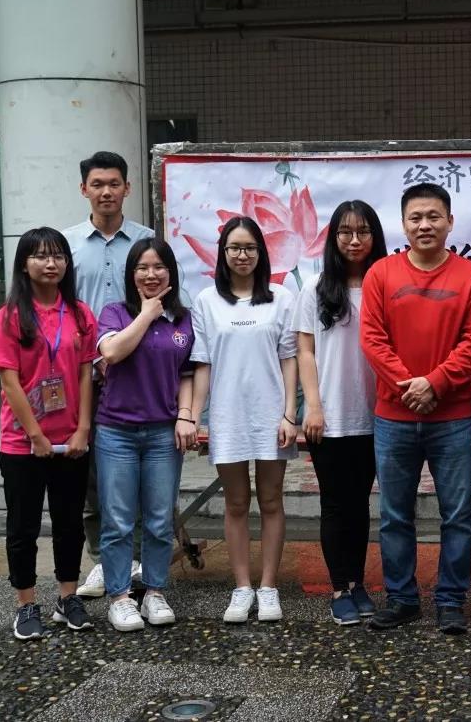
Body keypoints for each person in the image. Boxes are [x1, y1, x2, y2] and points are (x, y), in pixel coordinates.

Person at [360, 183, 471, 635]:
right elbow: (372, 340)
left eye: (434, 216)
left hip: (451, 417)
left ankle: (451, 601)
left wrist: (434, 383)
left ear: (450, 222)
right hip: (393, 417)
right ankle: (402, 599)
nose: (425, 225)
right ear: (403, 224)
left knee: (458, 514)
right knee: (395, 514)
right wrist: (409, 387)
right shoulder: (381, 273)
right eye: (415, 217)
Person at [0, 227, 97, 639]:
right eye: (41, 256)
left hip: (71, 441)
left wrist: (83, 428)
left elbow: (85, 373)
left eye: (58, 256)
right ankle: (26, 604)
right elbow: (9, 382)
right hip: (22, 443)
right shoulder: (9, 316)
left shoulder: (80, 313)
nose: (51, 264)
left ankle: (68, 597)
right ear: (24, 264)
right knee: (23, 527)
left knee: (70, 523)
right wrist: (35, 436)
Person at [190, 216, 299, 624]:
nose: (242, 255)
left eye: (250, 247)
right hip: (228, 415)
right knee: (236, 503)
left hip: (272, 416)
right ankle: (241, 587)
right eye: (234, 248)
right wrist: (194, 416)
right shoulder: (206, 301)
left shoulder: (280, 297)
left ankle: (268, 587)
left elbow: (289, 358)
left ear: (261, 253)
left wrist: (290, 413)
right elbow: (202, 364)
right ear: (222, 253)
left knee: (271, 500)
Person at [94, 238, 197, 632]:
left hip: (162, 434)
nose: (151, 274)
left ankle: (155, 591)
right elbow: (112, 353)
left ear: (171, 272)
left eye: (158, 267)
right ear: (131, 273)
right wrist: (147, 314)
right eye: (142, 267)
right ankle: (120, 597)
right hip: (116, 432)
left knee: (158, 519)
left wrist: (186, 416)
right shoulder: (115, 312)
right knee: (118, 520)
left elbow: (187, 374)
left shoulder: (183, 319)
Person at [64, 151, 153, 598]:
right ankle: (102, 559)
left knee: (137, 472)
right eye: (97, 184)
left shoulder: (147, 241)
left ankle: (135, 560)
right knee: (92, 477)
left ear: (127, 188)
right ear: (84, 189)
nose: (106, 192)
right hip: (84, 377)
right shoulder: (66, 245)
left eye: (114, 183)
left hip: (138, 374)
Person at [294, 200, 387, 625]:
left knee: (360, 503)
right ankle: (339, 588)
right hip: (328, 416)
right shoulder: (315, 288)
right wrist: (313, 406)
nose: (354, 240)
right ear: (333, 238)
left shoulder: (384, 284)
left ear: (375, 237)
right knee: (335, 503)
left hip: (376, 414)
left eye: (363, 231)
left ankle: (357, 583)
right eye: (345, 232)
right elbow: (305, 350)